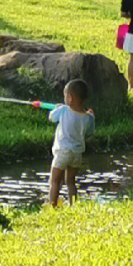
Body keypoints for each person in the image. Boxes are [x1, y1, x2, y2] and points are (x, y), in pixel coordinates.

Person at [46, 79, 95, 207]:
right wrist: (92, 116)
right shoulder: (88, 117)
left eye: (65, 96)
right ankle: (73, 205)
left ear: (70, 98)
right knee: (70, 182)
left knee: (55, 180)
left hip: (63, 152)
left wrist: (57, 108)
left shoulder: (63, 110)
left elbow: (52, 117)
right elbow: (90, 131)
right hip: (77, 153)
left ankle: (52, 205)